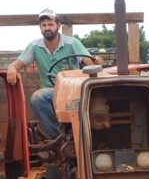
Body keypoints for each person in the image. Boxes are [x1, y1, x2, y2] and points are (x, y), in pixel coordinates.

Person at [6, 8, 101, 140]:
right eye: (44, 25)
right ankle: (60, 139)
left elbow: (89, 62)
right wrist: (12, 68)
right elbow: (17, 64)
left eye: (50, 24)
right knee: (38, 98)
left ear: (58, 25)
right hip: (51, 91)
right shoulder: (34, 46)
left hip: (73, 90)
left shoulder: (72, 43)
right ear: (40, 28)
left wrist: (94, 61)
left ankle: (91, 135)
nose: (47, 28)